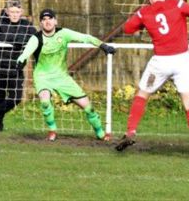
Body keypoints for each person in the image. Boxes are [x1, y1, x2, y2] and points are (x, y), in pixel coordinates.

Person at [115, 0, 189, 157]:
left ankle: (131, 131)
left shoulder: (144, 12)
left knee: (142, 94)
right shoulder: (177, 4)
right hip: (182, 60)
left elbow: (127, 28)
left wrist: (141, 21)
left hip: (160, 62)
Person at [15, 8, 115, 141]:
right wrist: (20, 61)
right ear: (40, 23)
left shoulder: (64, 33)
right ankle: (52, 130)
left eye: (50, 18)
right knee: (45, 101)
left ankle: (100, 132)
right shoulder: (36, 38)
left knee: (88, 107)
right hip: (43, 77)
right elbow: (25, 53)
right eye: (44, 20)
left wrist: (103, 46)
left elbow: (86, 38)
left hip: (62, 77)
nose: (47, 22)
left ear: (55, 21)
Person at [0, 0, 36, 132]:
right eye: (12, 12)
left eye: (17, 12)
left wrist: (20, 41)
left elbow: (35, 39)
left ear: (21, 12)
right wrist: (16, 41)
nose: (15, 14)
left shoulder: (27, 26)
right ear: (6, 12)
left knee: (16, 97)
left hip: (16, 68)